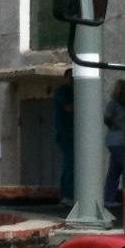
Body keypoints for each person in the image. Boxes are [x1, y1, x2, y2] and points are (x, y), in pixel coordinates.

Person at [104, 78, 125, 209]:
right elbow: (107, 118)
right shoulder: (114, 104)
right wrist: (117, 125)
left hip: (122, 141)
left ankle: (109, 198)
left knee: (114, 171)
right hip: (116, 141)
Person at [52, 70, 75, 206]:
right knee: (70, 163)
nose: (73, 79)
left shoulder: (70, 90)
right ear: (66, 77)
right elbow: (68, 107)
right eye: (72, 76)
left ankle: (68, 194)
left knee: (71, 163)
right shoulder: (63, 90)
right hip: (66, 133)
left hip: (70, 133)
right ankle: (66, 194)